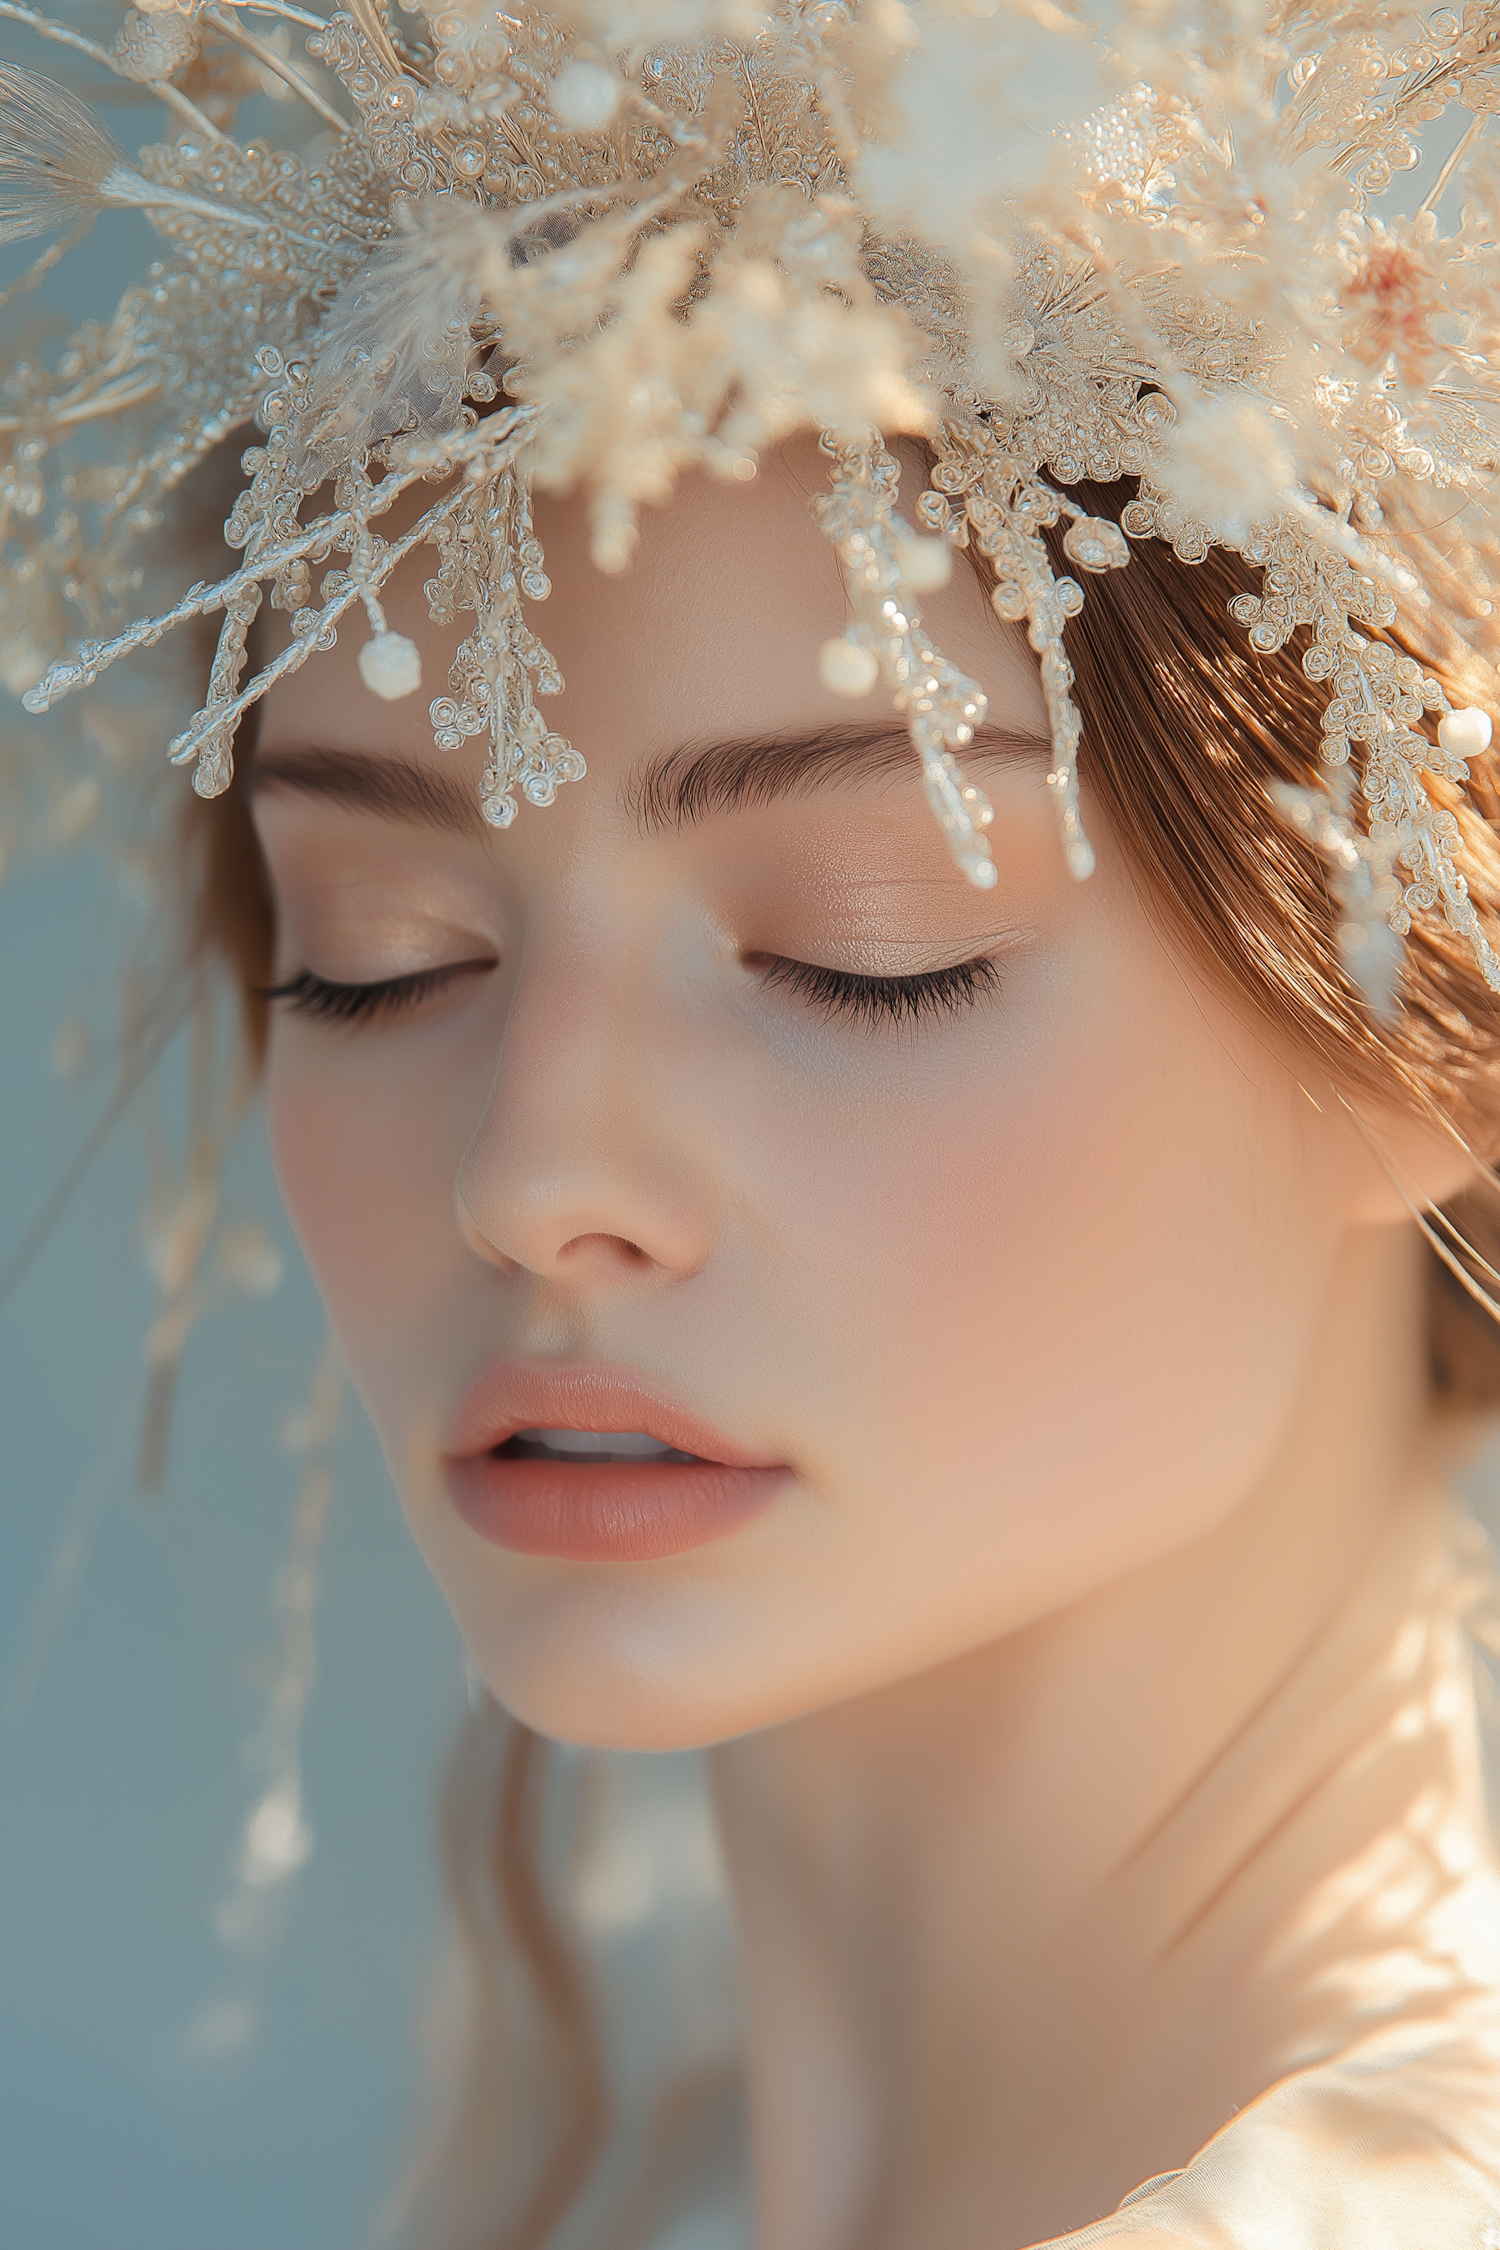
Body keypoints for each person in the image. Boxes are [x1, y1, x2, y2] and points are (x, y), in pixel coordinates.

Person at [6, 3, 1500, 2244]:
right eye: (378, 950)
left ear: (1423, 1009)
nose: (532, 1176)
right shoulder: (650, 2157)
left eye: (862, 946)